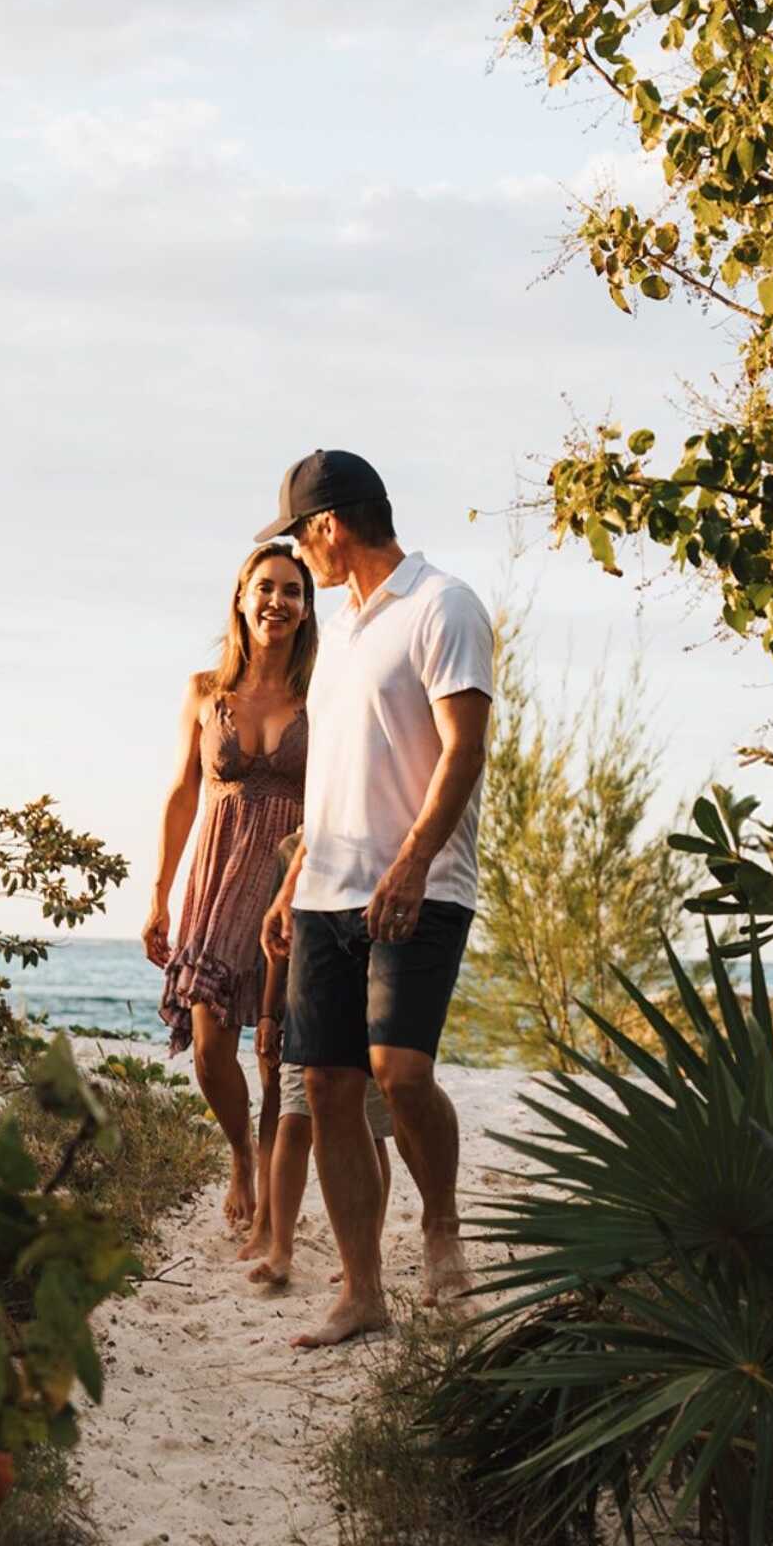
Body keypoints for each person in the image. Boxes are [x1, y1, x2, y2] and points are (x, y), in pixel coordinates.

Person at [257, 450, 493, 1348]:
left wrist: (413, 861)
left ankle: (441, 1230)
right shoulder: (341, 634)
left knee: (400, 1073)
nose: (298, 555)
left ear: (328, 527)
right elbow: (333, 775)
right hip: (325, 888)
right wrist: (293, 882)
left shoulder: (443, 605)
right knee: (327, 1087)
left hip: (421, 885)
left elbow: (464, 750)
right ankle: (363, 1292)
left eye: (298, 537)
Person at [143, 541, 317, 1234]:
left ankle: (272, 1199)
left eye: (293, 591)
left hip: (290, 879)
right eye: (265, 587)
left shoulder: (321, 696)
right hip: (216, 880)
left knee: (276, 1052)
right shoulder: (203, 691)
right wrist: (159, 894)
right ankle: (241, 1153)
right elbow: (183, 793)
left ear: (306, 611)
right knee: (212, 1042)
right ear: (241, 599)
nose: (278, 601)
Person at [245, 829, 391, 1289]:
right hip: (305, 1006)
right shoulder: (290, 850)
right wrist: (268, 1013)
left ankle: (365, 1251)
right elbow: (278, 946)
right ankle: (280, 1249)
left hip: (366, 1010)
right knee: (292, 1123)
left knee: (369, 1132)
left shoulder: (376, 838)